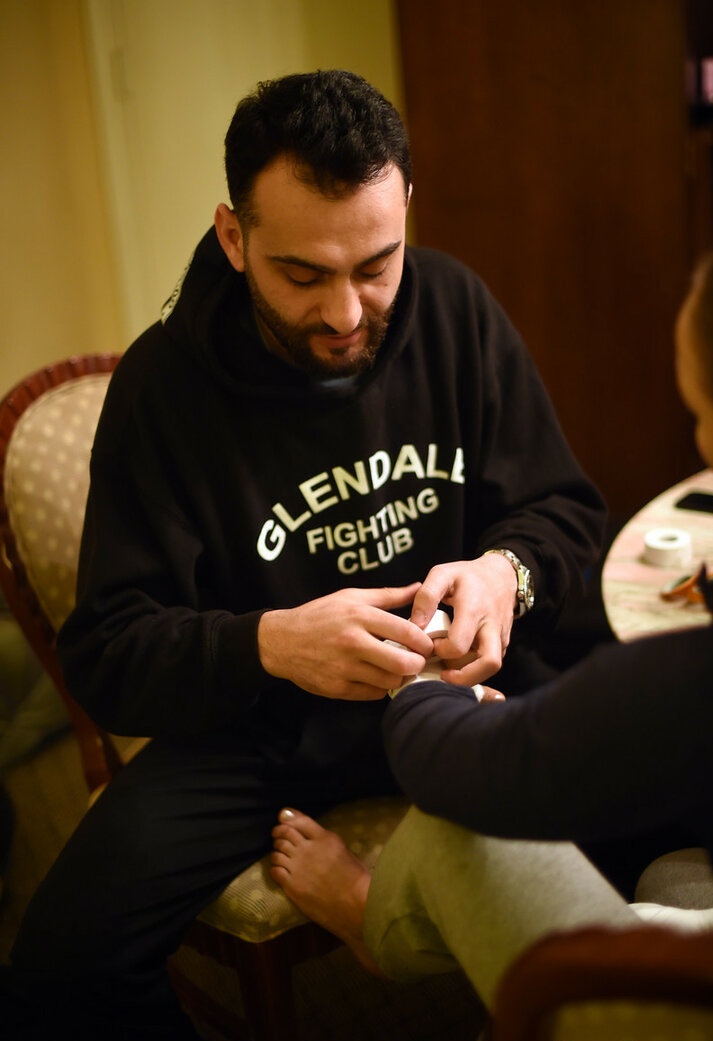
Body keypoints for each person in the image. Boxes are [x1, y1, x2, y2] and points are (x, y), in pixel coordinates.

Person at [3, 70, 605, 1039]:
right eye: (302, 275)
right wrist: (270, 644)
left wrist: (504, 574)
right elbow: (108, 655)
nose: (346, 314)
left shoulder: (454, 308)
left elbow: (564, 515)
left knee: (667, 801)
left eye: (374, 265)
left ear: (405, 210)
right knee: (64, 966)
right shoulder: (163, 389)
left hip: (458, 686)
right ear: (233, 237)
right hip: (263, 730)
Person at [269, 252, 713, 1013]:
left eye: (699, 415)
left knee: (455, 829)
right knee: (669, 873)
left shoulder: (680, 677)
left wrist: (422, 687)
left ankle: (373, 916)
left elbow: (473, 774)